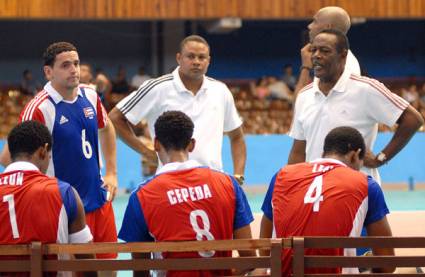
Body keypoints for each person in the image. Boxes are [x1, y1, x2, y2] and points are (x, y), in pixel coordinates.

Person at [0, 42, 119, 262]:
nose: (74, 69)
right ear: (48, 72)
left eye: (76, 63)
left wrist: (111, 172)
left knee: (108, 267)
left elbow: (107, 127)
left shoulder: (90, 96)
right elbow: (8, 156)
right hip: (66, 209)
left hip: (99, 199)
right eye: (65, 65)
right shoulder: (39, 108)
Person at [118, 111, 255, 277]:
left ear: (156, 144)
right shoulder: (228, 184)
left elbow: (141, 271)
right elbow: (249, 260)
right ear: (191, 144)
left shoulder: (142, 196)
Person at [288, 29, 423, 184]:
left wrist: (381, 158)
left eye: (325, 51)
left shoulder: (365, 88)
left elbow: (413, 119)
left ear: (343, 55)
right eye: (314, 50)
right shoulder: (304, 96)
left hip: (358, 191)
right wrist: (291, 187)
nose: (316, 55)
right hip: (317, 193)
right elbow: (298, 151)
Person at [109, 35, 246, 185]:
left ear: (209, 61)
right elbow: (115, 118)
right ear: (179, 58)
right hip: (171, 184)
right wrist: (147, 153)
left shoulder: (220, 91)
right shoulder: (157, 88)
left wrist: (238, 175)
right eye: (191, 56)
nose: (196, 62)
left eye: (202, 57)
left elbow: (237, 137)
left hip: (213, 184)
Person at [261, 126, 395, 275]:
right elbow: (387, 264)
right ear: (354, 156)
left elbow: (265, 248)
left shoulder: (281, 176)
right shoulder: (366, 185)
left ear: (323, 152)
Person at [0, 121, 95, 276]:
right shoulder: (64, 192)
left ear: (11, 153)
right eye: (49, 156)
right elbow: (86, 259)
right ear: (43, 151)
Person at [294, 6, 361, 94]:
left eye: (315, 21)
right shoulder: (332, 61)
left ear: (328, 28)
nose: (309, 26)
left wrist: (305, 67)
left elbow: (298, 106)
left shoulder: (342, 65)